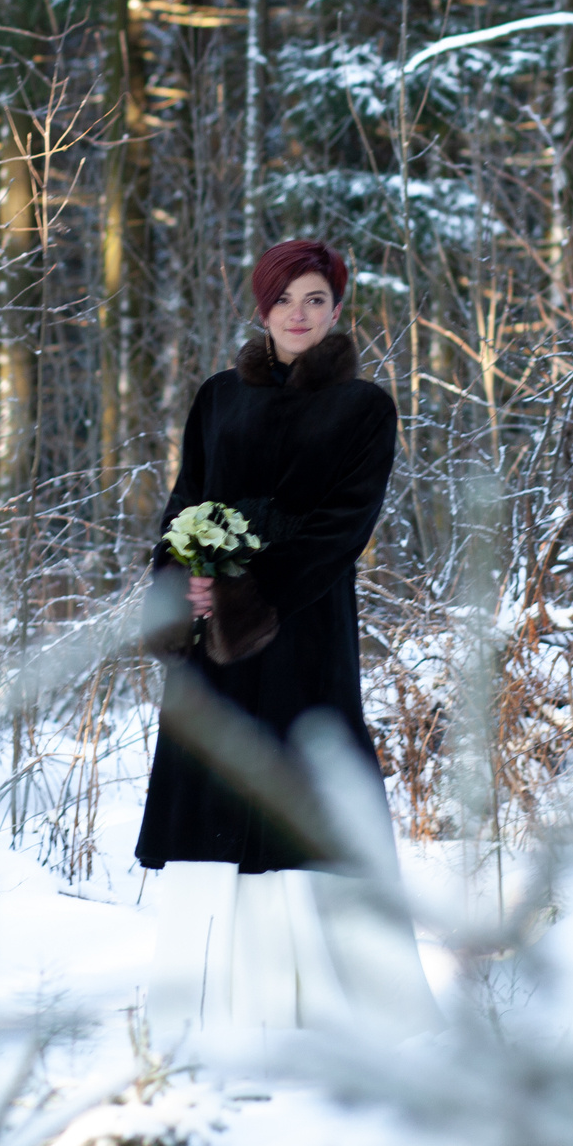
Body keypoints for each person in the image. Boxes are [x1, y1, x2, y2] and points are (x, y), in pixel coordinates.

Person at [135, 238, 441, 1037]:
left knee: (305, 796)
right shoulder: (218, 397)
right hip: (211, 647)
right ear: (261, 306)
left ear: (337, 308)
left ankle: (327, 1010)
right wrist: (182, 582)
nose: (298, 314)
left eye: (315, 299)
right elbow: (184, 503)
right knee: (214, 797)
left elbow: (344, 526)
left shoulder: (364, 407)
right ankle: (203, 1006)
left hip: (303, 630)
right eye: (284, 299)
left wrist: (251, 595)